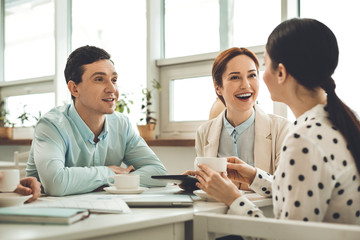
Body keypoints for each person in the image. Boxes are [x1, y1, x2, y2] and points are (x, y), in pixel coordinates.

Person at [196, 18, 360, 225]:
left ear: (281, 72)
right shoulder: (337, 122)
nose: (253, 82)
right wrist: (254, 176)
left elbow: (288, 236)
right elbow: (304, 191)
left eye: (264, 65)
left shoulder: (304, 139)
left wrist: (233, 198)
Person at [26, 45, 168, 196]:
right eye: (99, 79)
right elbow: (56, 183)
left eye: (114, 79)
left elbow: (159, 173)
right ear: (74, 89)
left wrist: (113, 180)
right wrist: (107, 172)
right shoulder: (51, 125)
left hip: (102, 210)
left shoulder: (122, 124)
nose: (112, 88)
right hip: (53, 214)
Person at [186, 47, 290, 190]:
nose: (246, 85)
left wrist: (243, 182)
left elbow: (286, 188)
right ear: (218, 87)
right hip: (216, 211)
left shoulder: (282, 129)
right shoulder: (204, 132)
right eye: (235, 77)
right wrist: (195, 182)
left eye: (252, 75)